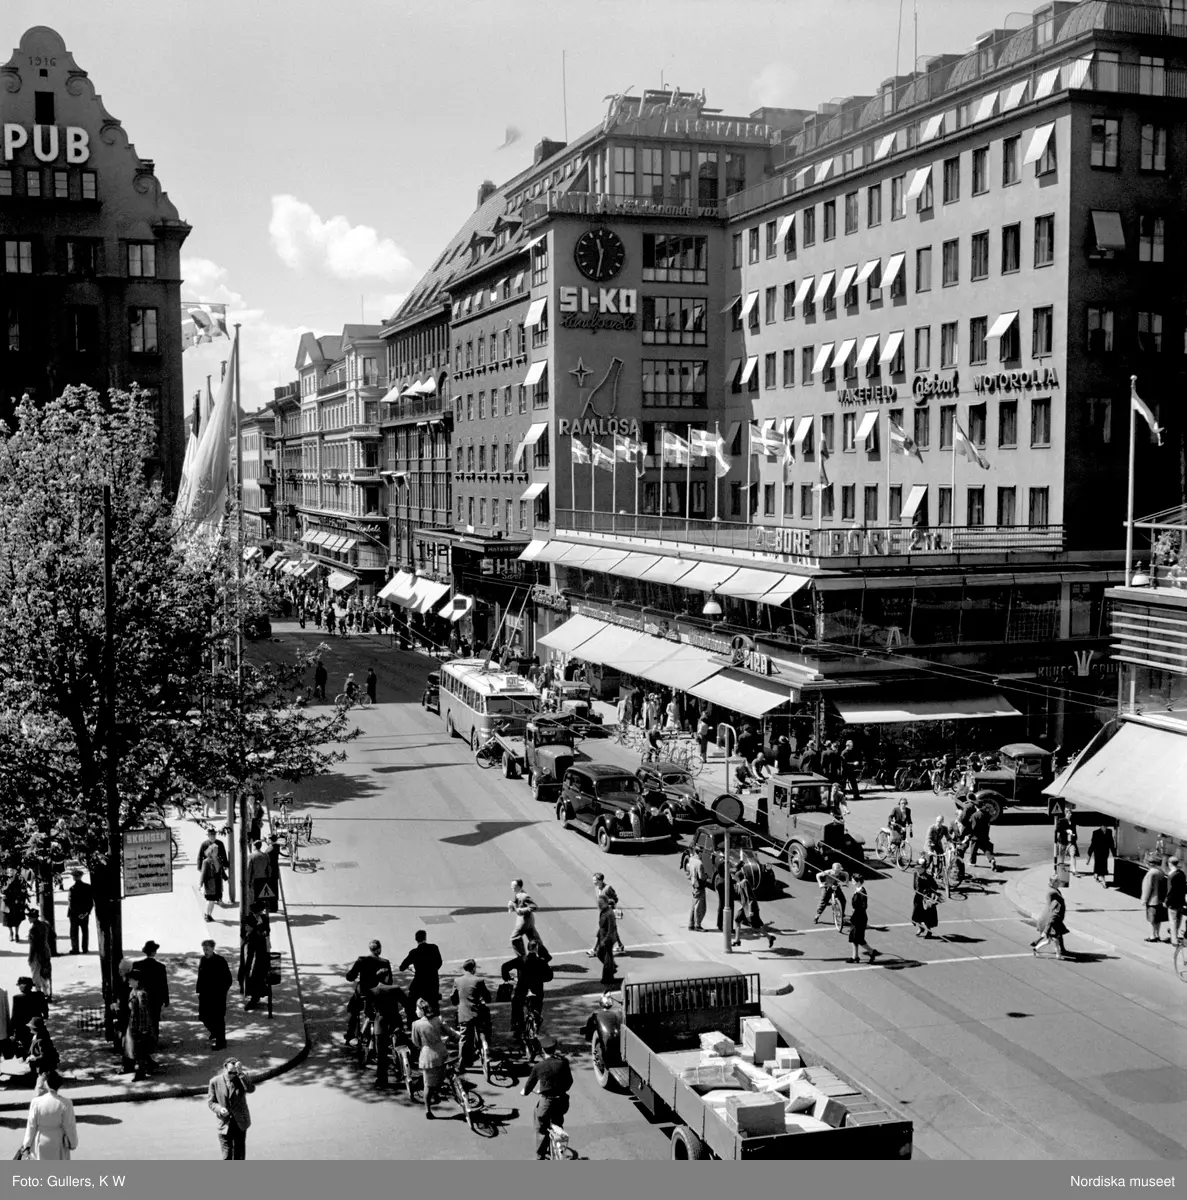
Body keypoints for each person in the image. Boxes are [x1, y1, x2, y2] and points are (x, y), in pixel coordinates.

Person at [521, 1035, 574, 1160]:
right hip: (562, 1101)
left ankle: (540, 1155)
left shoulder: (538, 1067)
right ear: (554, 1049)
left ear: (542, 1050)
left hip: (547, 1102)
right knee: (558, 1119)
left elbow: (529, 1086)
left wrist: (525, 1092)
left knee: (540, 1126)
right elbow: (569, 1082)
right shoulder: (564, 1063)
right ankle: (559, 1139)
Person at [409, 998, 458, 1119]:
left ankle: (428, 1110)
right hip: (442, 1053)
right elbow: (451, 1032)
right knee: (444, 1076)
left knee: (428, 1086)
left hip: (428, 1057)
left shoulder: (416, 1024)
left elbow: (416, 1042)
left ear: (420, 1010)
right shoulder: (438, 1019)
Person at [501, 940, 553, 1052]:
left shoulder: (521, 959)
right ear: (536, 948)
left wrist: (508, 979)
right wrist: (540, 979)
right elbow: (549, 977)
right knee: (537, 1009)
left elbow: (505, 966)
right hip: (536, 990)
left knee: (516, 1005)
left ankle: (516, 1028)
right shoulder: (541, 961)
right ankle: (536, 1025)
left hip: (522, 990)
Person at [20, 1072, 77, 1161]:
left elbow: (31, 1125)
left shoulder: (36, 1102)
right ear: (60, 1086)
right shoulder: (66, 1103)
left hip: (40, 1140)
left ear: (46, 1084)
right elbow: (69, 1126)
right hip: (58, 1141)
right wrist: (73, 1143)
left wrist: (26, 1145)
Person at [344, 939, 392, 1045]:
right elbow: (390, 981)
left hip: (363, 993)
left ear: (370, 949)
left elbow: (351, 976)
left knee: (352, 1009)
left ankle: (350, 1035)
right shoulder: (385, 962)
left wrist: (349, 976)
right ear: (379, 949)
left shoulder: (361, 960)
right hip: (378, 994)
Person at [207, 1057, 255, 1159]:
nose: (233, 1075)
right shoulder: (214, 1082)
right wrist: (219, 1109)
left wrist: (241, 1073)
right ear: (225, 1068)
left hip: (240, 1122)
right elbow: (211, 1102)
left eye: (235, 1072)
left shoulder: (241, 1077)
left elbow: (250, 1089)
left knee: (239, 1154)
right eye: (230, 1072)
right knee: (226, 1156)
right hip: (224, 1124)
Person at [368, 968, 408, 1087]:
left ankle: (382, 1079)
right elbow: (407, 1003)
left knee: (381, 1054)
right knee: (401, 1046)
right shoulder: (395, 989)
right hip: (395, 1023)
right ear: (386, 977)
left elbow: (368, 1011)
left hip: (380, 1025)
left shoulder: (372, 991)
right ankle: (402, 1070)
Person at [451, 959, 492, 1071]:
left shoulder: (457, 980)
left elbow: (453, 999)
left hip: (464, 1014)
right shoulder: (479, 980)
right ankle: (486, 1045)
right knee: (485, 1027)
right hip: (478, 1014)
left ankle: (461, 1064)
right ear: (473, 968)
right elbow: (487, 997)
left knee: (464, 1038)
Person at [196, 939, 233, 1050]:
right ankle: (214, 1032)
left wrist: (221, 992)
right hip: (205, 995)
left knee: (218, 1019)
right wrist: (199, 990)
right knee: (203, 1017)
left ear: (212, 948)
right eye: (204, 949)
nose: (205, 951)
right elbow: (200, 976)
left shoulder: (220, 961)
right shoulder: (203, 960)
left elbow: (228, 980)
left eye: (207, 948)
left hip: (217, 997)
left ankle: (221, 1042)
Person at [732, 859, 776, 949]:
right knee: (737, 920)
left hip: (751, 909)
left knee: (756, 927)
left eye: (734, 877)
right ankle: (737, 940)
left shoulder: (744, 883)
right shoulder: (740, 883)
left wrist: (751, 910)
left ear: (738, 877)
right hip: (745, 907)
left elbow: (750, 898)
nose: (733, 878)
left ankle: (770, 938)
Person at [123, 968, 158, 1079]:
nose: (129, 982)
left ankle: (140, 1072)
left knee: (139, 1050)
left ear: (137, 981)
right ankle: (150, 1065)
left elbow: (144, 1013)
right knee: (135, 1049)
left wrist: (143, 1029)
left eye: (131, 980)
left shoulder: (141, 994)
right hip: (133, 1024)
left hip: (139, 1026)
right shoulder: (133, 991)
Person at [399, 930, 443, 1019]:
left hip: (419, 982)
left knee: (410, 1000)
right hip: (432, 982)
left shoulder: (414, 952)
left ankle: (411, 1020)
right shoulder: (434, 948)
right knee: (434, 1002)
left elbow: (402, 967)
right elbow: (439, 962)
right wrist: (432, 970)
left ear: (416, 940)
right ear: (425, 938)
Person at [134, 940, 169, 1039]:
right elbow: (164, 985)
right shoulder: (160, 967)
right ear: (154, 952)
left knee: (142, 1019)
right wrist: (166, 999)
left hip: (141, 996)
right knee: (154, 1020)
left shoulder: (137, 965)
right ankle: (154, 1040)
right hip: (156, 998)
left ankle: (143, 1040)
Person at [8, 977, 48, 1057]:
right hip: (37, 1025)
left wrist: (11, 1030)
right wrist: (44, 1017)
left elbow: (15, 1016)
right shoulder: (39, 995)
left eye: (19, 985)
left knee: (27, 1047)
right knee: (39, 1045)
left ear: (22, 986)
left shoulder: (17, 998)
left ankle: (32, 1064)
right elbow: (45, 1010)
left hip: (23, 1028)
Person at [1032, 876, 1071, 959]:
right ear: (1054, 882)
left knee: (1049, 940)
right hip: (1050, 921)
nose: (1060, 883)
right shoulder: (1054, 898)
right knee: (1055, 939)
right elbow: (1051, 915)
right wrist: (1046, 930)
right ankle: (1058, 954)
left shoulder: (1054, 892)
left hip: (1053, 920)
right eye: (1058, 881)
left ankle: (1036, 948)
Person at [239, 910, 270, 1012]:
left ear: (251, 926)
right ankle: (254, 998)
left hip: (256, 966)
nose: (245, 927)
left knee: (255, 982)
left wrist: (248, 968)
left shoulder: (255, 937)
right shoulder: (251, 934)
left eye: (246, 926)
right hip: (254, 965)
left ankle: (254, 1000)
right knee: (254, 983)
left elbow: (253, 955)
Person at [509, 879, 544, 956]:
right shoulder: (517, 894)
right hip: (528, 921)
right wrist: (512, 906)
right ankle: (544, 957)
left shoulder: (524, 896)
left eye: (513, 886)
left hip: (524, 921)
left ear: (518, 886)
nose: (511, 887)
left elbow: (533, 907)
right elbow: (516, 902)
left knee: (514, 938)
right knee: (534, 939)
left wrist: (519, 910)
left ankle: (522, 958)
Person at [847, 880, 879, 964]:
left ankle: (872, 951)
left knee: (859, 939)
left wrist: (856, 910)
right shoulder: (858, 890)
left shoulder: (862, 892)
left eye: (853, 880)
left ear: (858, 881)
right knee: (853, 938)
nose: (852, 881)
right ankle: (855, 956)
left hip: (859, 918)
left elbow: (864, 906)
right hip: (856, 917)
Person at [1140, 855, 1169, 943]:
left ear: (1150, 863)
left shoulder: (1151, 873)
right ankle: (1157, 934)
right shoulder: (1161, 872)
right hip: (1160, 899)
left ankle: (1152, 936)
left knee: (1151, 919)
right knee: (1158, 919)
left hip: (1152, 900)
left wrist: (1144, 899)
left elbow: (1147, 888)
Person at [26, 910, 53, 1001]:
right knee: (47, 974)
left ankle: (40, 995)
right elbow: (53, 936)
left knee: (36, 976)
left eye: (29, 917)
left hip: (37, 955)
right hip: (46, 952)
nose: (28, 918)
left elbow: (33, 946)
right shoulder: (46, 924)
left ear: (34, 918)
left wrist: (30, 958)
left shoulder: (33, 930)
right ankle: (49, 994)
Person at [911, 856, 940, 938]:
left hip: (925, 899)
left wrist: (928, 891)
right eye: (917, 868)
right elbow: (915, 886)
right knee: (915, 917)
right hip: (917, 898)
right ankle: (920, 928)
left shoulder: (929, 877)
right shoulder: (916, 874)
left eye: (920, 868)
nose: (918, 869)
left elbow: (935, 886)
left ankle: (929, 931)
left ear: (924, 868)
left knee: (926, 917)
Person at [66, 870, 93, 955]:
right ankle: (85, 948)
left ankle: (75, 949)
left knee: (74, 932)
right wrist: (86, 912)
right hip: (84, 914)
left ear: (74, 878)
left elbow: (71, 903)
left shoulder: (72, 889)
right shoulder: (88, 887)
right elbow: (91, 902)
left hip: (74, 914)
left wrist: (77, 913)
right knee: (85, 931)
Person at [594, 894, 618, 986]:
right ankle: (612, 968)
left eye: (601, 903)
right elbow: (601, 927)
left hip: (608, 939)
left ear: (606, 903)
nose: (599, 905)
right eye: (598, 903)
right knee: (600, 954)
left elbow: (611, 929)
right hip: (602, 938)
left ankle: (608, 978)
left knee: (607, 958)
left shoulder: (609, 913)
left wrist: (605, 940)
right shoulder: (603, 911)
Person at [199, 844, 226, 923]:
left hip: (217, 882)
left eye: (217, 850)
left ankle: (210, 915)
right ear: (211, 852)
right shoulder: (206, 861)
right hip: (210, 883)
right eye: (215, 851)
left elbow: (221, 870)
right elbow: (203, 873)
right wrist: (200, 884)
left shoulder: (218, 859)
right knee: (210, 900)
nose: (216, 852)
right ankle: (207, 914)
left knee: (213, 900)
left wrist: (226, 878)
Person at [26, 1017, 59, 1081]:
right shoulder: (36, 1036)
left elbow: (45, 1056)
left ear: (35, 1028)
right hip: (39, 1067)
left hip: (44, 1068)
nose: (29, 1028)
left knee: (40, 1085)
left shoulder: (41, 1040)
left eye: (31, 1026)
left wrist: (34, 1058)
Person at [968, 803, 999, 871]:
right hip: (984, 835)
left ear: (976, 806)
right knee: (986, 849)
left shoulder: (975, 815)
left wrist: (970, 835)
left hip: (976, 836)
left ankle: (972, 862)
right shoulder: (987, 814)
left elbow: (973, 827)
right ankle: (991, 859)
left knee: (973, 849)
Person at [2, 870, 29, 942]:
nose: (10, 872)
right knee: (8, 920)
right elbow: (2, 890)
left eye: (12, 870)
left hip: (17, 902)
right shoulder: (4, 879)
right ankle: (11, 932)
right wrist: (4, 891)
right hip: (7, 902)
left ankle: (17, 934)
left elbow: (24, 889)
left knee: (17, 919)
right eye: (9, 871)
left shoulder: (20, 879)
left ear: (15, 871)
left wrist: (20, 898)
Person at [1165, 856, 1185, 944]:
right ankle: (1175, 935)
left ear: (1169, 863)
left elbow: (1170, 891)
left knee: (1173, 921)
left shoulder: (1171, 875)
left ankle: (1174, 940)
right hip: (1180, 900)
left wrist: (1166, 901)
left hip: (1173, 902)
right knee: (1178, 919)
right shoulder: (1182, 873)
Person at [687, 852, 707, 932]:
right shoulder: (700, 863)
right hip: (699, 887)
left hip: (693, 884)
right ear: (700, 853)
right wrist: (706, 877)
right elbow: (701, 877)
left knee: (693, 905)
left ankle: (691, 924)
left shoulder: (691, 859)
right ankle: (697, 925)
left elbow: (688, 871)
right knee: (700, 906)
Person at [839, 738, 862, 803]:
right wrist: (853, 763)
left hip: (850, 770)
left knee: (853, 782)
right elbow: (844, 763)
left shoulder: (850, 752)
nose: (852, 747)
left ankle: (856, 795)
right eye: (851, 746)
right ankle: (842, 796)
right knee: (843, 783)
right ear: (848, 746)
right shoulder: (844, 753)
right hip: (845, 770)